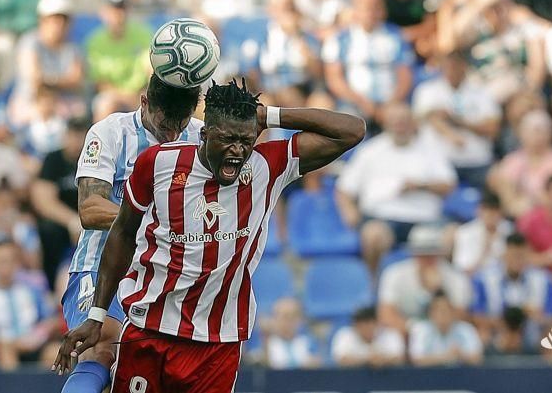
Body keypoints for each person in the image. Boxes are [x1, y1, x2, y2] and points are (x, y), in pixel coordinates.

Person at [53, 79, 365, 393]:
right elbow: (120, 230)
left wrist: (268, 116)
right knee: (102, 348)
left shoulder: (266, 166)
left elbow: (351, 130)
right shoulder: (158, 163)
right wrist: (96, 314)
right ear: (206, 135)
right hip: (152, 330)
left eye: (245, 140)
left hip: (219, 342)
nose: (237, 150)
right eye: (228, 139)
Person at [57, 74, 204, 393]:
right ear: (144, 102)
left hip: (165, 275)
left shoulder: (199, 139)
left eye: (181, 123)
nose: (173, 133)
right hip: (100, 265)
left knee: (147, 370)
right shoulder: (110, 132)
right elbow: (90, 210)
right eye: (165, 124)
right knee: (101, 347)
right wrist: (154, 217)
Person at [336, 103, 456, 271]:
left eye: (404, 121)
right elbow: (344, 189)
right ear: (386, 124)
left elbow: (449, 185)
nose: (400, 126)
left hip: (425, 218)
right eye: (395, 122)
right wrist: (349, 212)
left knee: (452, 236)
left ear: (413, 123)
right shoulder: (370, 151)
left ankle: (441, 292)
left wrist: (421, 186)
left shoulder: (430, 150)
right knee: (373, 236)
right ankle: (374, 287)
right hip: (383, 218)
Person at [322, 0, 415, 121]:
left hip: (391, 103)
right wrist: (362, 102)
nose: (371, 12)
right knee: (346, 123)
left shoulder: (396, 36)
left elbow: (405, 76)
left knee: (402, 119)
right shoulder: (339, 39)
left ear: (383, 10)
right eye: (366, 7)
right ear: (355, 10)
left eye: (376, 7)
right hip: (353, 104)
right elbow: (334, 79)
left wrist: (391, 103)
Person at [412, 51, 501, 188]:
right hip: (440, 162)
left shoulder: (482, 92)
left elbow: (492, 128)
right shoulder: (427, 91)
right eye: (447, 67)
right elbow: (429, 117)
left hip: (477, 161)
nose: (451, 72)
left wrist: (456, 120)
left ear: (464, 67)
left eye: (455, 67)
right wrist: (450, 134)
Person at [30, 116, 91, 287]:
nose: (77, 141)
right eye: (73, 135)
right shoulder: (54, 159)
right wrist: (72, 221)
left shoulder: (96, 160)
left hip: (91, 217)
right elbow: (43, 201)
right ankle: (50, 284)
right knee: (49, 231)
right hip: (61, 220)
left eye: (81, 136)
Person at [471, 233, 552, 351]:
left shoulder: (543, 280)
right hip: (495, 335)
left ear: (528, 255)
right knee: (482, 335)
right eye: (513, 256)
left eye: (521, 256)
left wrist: (535, 315)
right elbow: (475, 316)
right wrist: (501, 323)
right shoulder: (485, 279)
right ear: (505, 255)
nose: (517, 261)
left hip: (533, 337)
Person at [378, 226, 473, 333]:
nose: (427, 259)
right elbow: (386, 314)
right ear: (413, 253)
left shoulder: (456, 277)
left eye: (431, 254)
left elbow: (461, 316)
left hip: (445, 334)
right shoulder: (394, 273)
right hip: (406, 332)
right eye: (422, 254)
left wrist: (438, 292)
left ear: (439, 254)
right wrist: (413, 331)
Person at [11, 0, 85, 125]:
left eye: (64, 20)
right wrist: (61, 81)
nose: (59, 25)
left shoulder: (73, 48)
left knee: (79, 114)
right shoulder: (29, 42)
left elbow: (76, 80)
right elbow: (34, 78)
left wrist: (48, 80)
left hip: (64, 105)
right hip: (32, 102)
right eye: (54, 20)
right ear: (42, 21)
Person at [488, 110, 552, 217]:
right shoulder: (512, 161)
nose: (539, 137)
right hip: (521, 216)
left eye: (544, 131)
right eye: (535, 131)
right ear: (522, 134)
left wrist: (536, 201)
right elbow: (509, 200)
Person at [85, 0, 153, 120]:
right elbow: (99, 83)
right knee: (105, 104)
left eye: (122, 9)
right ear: (103, 12)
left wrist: (144, 94)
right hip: (113, 95)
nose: (118, 14)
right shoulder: (95, 42)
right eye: (113, 9)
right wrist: (128, 96)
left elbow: (151, 71)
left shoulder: (143, 35)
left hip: (140, 93)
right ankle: (100, 141)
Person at [0, 242, 56, 363]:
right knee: (6, 350)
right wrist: (9, 342)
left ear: (17, 263)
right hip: (0, 346)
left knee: (55, 352)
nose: (6, 266)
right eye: (1, 261)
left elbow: (50, 319)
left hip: (33, 342)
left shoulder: (32, 290)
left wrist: (36, 337)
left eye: (11, 261)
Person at [408, 290, 484, 366]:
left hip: (460, 375)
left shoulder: (466, 329)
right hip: (428, 376)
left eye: (445, 310)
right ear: (431, 313)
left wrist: (461, 354)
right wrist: (445, 357)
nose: (442, 315)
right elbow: (416, 359)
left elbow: (477, 358)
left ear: (452, 311)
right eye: (438, 310)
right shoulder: (421, 329)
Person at [452, 191, 513, 274]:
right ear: (479, 211)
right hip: (475, 281)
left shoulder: (508, 229)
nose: (492, 217)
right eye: (488, 213)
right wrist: (485, 250)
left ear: (501, 212)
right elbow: (463, 271)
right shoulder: (465, 233)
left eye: (495, 212)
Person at [330, 306, 405, 367]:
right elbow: (341, 359)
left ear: (377, 323)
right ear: (355, 325)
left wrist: (383, 360)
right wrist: (367, 360)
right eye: (362, 325)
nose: (366, 328)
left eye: (369, 324)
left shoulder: (390, 334)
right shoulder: (345, 335)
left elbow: (399, 358)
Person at [263, 298, 322, 370]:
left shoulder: (307, 342)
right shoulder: (268, 342)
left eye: (293, 316)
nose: (289, 322)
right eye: (285, 317)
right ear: (274, 319)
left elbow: (318, 362)